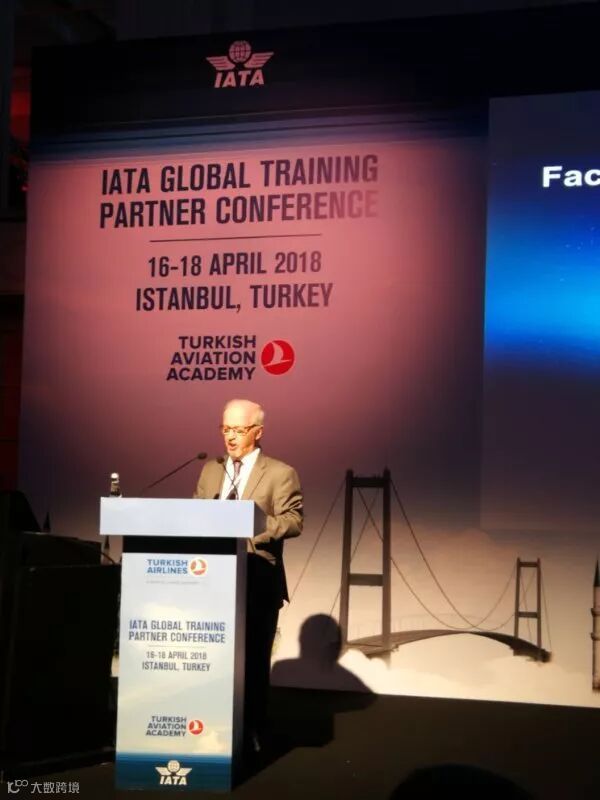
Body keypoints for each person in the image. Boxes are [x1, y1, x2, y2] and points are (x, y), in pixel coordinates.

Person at [193, 399, 303, 753]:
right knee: (212, 658)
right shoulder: (211, 470)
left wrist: (255, 524)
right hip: (209, 577)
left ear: (258, 432)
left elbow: (293, 521)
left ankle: (252, 729)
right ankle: (209, 725)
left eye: (238, 430)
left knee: (253, 661)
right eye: (225, 429)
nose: (230, 437)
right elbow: (193, 515)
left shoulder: (280, 473)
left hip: (257, 578)